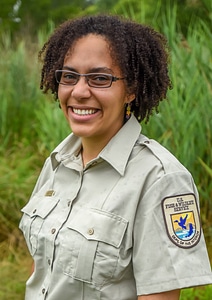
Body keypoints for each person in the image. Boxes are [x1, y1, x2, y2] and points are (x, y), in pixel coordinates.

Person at [19, 14, 212, 300]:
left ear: (131, 90)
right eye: (69, 76)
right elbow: (44, 269)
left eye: (100, 78)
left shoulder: (161, 180)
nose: (80, 92)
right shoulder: (58, 162)